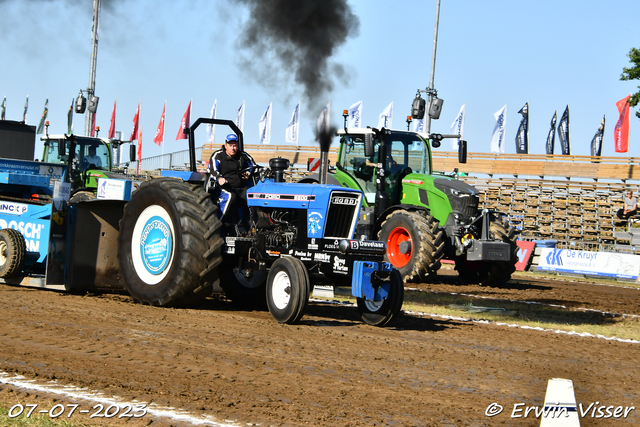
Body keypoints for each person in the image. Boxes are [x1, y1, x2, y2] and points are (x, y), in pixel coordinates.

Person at [206, 134, 257, 229]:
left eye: (235, 145)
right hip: (223, 187)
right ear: (226, 145)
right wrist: (219, 178)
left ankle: (250, 227)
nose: (233, 148)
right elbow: (211, 170)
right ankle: (217, 225)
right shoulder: (218, 155)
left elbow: (254, 167)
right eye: (230, 145)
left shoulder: (243, 156)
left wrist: (248, 173)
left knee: (252, 195)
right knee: (230, 196)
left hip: (241, 187)